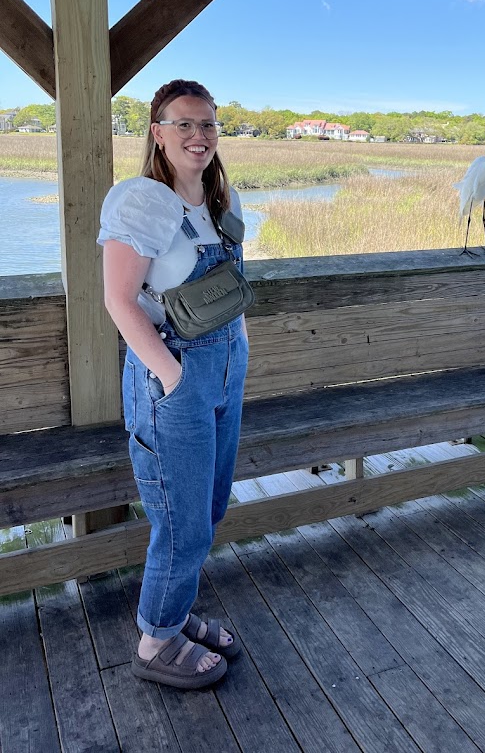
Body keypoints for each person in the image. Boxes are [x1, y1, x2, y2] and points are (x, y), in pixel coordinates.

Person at [98, 79, 249, 689]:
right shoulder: (142, 201)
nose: (198, 135)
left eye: (208, 124)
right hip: (176, 376)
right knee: (180, 518)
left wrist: (240, 356)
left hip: (226, 369)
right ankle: (155, 640)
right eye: (183, 124)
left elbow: (229, 292)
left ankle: (175, 615)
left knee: (206, 509)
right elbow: (118, 299)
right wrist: (174, 376)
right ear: (157, 133)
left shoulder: (217, 202)